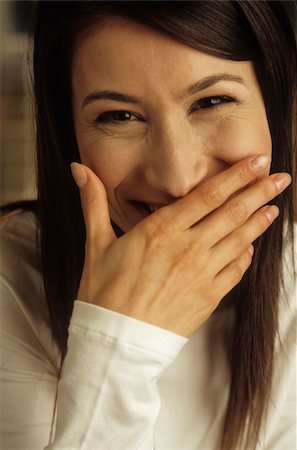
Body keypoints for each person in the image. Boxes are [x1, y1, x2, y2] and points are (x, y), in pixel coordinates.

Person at [0, 1, 296, 449]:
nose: (177, 180)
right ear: (69, 138)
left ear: (275, 103)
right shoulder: (9, 284)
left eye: (212, 101)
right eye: (119, 116)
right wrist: (117, 340)